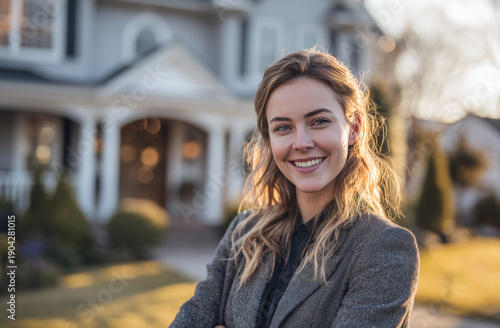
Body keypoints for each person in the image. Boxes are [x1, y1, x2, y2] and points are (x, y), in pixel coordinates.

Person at [170, 48, 419, 328]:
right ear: (269, 138)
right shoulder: (244, 232)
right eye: (283, 127)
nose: (301, 142)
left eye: (319, 122)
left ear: (354, 128)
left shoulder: (384, 248)